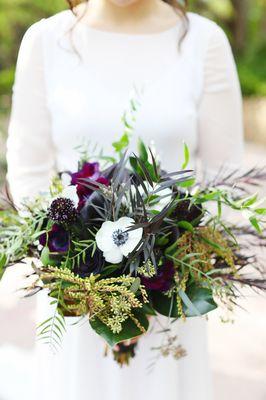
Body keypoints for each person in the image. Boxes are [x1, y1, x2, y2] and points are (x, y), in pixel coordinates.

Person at [5, 0, 244, 399]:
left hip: (171, 297)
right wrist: (87, 285)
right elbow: (27, 174)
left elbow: (227, 183)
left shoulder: (204, 42)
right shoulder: (46, 42)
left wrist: (162, 272)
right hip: (74, 300)